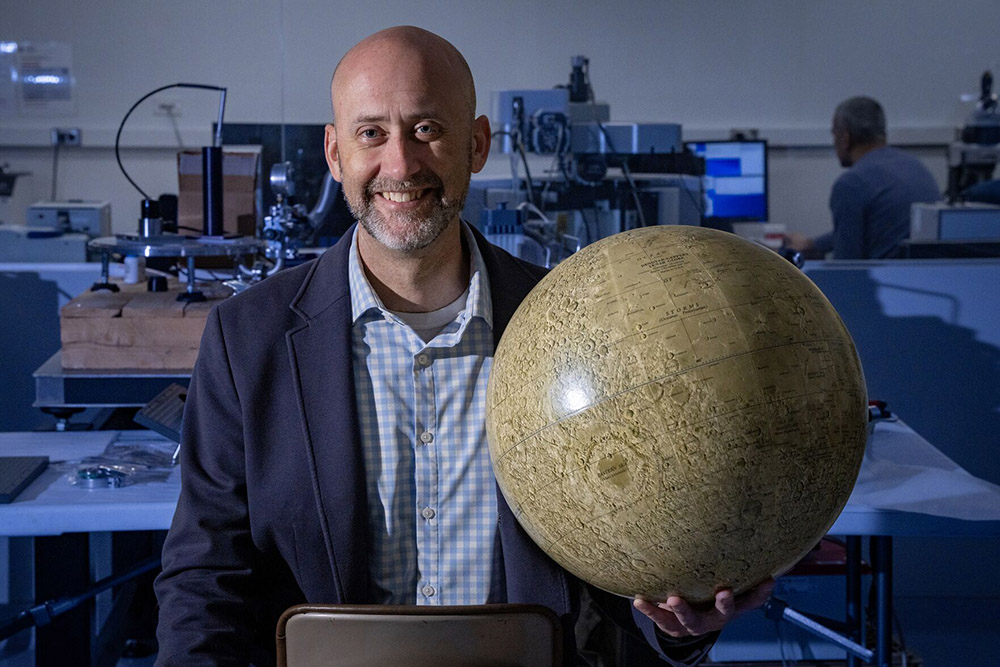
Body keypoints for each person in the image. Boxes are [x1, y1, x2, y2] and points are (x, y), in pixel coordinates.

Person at [153, 26, 772, 666]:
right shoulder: (247, 340)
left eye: (426, 129)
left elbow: (622, 562)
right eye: (372, 134)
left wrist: (679, 626)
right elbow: (206, 574)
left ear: (476, 145)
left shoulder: (579, 328)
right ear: (335, 154)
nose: (400, 165)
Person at [784, 96, 940, 259]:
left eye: (834, 134)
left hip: (883, 281)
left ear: (845, 138)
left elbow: (846, 265)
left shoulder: (852, 183)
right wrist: (812, 245)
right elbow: (870, 230)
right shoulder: (915, 166)